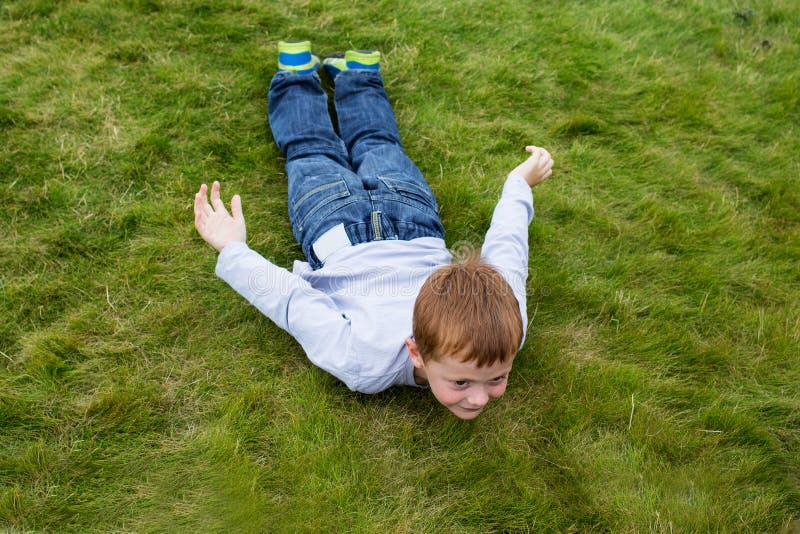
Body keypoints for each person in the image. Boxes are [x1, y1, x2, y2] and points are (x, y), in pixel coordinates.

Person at [193, 41, 553, 420]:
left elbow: (509, 259)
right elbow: (508, 251)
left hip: (376, 223)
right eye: (462, 383)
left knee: (331, 150)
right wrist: (518, 185)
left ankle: (334, 75)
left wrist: (235, 251)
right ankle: (335, 75)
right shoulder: (366, 361)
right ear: (415, 351)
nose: (480, 397)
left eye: (497, 378)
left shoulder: (504, 329)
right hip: (379, 222)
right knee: (332, 148)